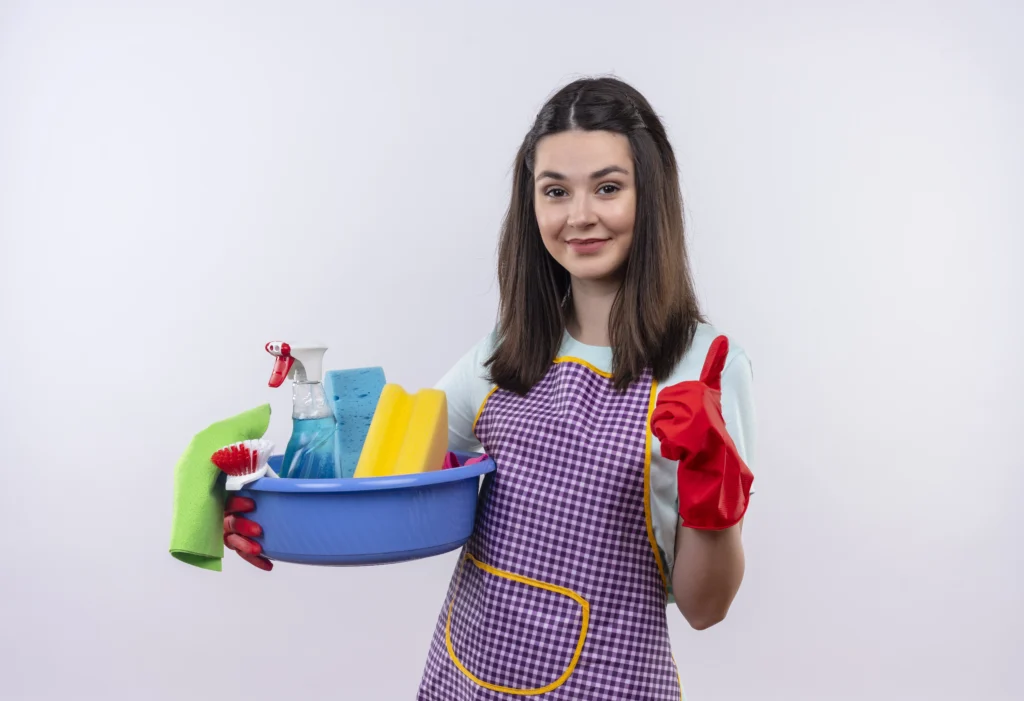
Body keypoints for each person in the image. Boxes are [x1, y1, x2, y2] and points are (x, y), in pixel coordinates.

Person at [223, 76, 756, 700]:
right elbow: (388, 479)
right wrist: (264, 508)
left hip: (612, 684)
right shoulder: (509, 347)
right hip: (466, 676)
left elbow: (704, 608)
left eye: (608, 188)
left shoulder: (705, 367)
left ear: (653, 194)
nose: (579, 215)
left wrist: (712, 496)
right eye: (555, 191)